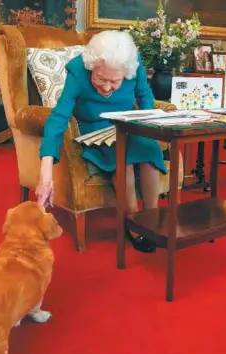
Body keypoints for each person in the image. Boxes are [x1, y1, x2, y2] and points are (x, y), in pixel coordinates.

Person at [35, 30, 167, 253]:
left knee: (149, 151)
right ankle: (134, 224)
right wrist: (46, 168)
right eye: (100, 79)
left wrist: (147, 124)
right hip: (93, 127)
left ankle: (151, 220)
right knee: (121, 158)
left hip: (127, 124)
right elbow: (59, 116)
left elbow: (145, 97)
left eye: (115, 81)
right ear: (92, 66)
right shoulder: (78, 69)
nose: (106, 88)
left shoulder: (134, 65)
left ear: (126, 72)